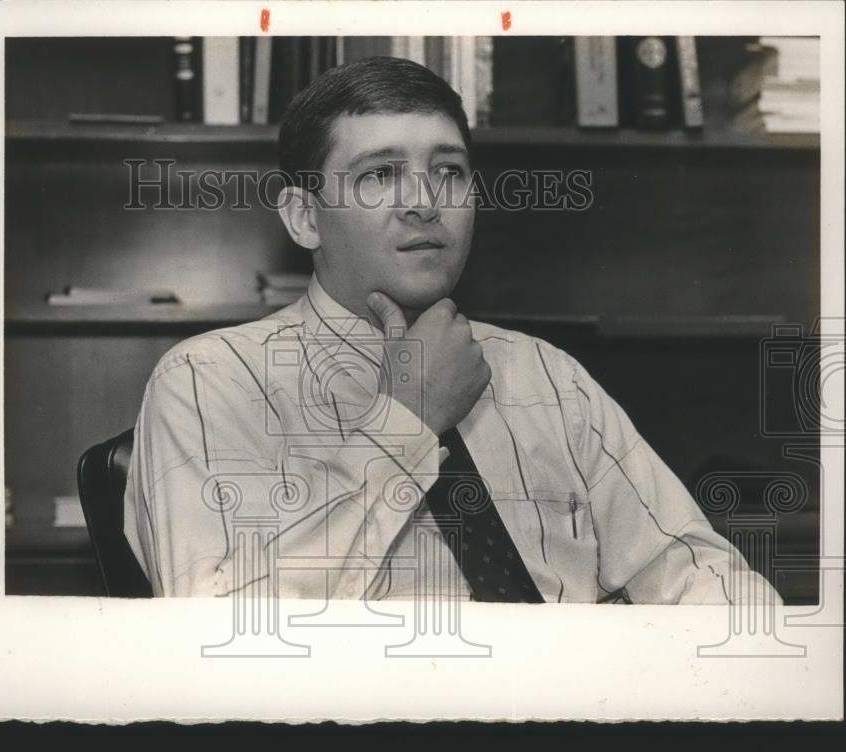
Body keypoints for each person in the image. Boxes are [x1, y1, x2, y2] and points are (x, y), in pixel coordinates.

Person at [122, 56, 778, 604]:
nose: (425, 202)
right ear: (304, 218)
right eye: (380, 174)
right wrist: (409, 420)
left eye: (449, 171)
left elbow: (702, 575)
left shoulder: (546, 374)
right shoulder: (209, 380)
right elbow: (218, 627)